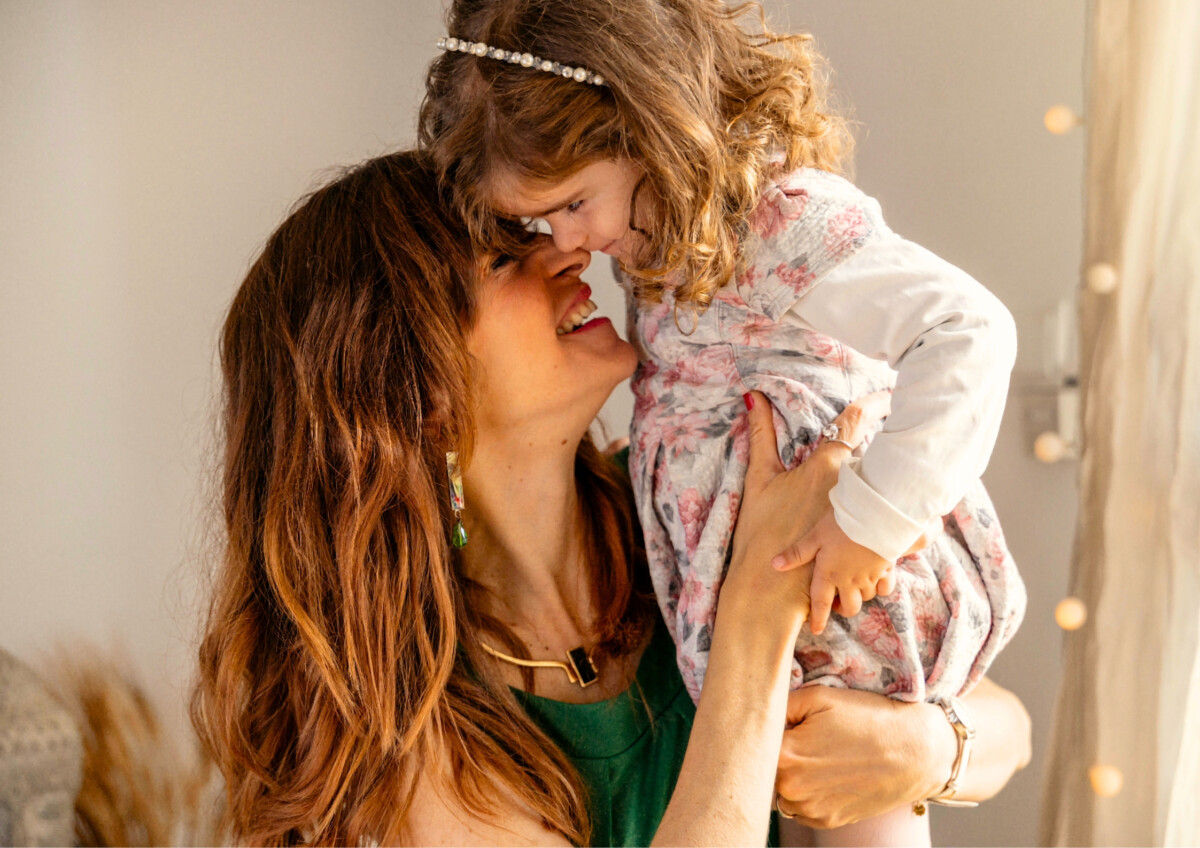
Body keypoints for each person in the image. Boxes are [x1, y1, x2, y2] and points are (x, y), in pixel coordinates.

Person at [190, 150, 1030, 847]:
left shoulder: (678, 507)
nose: (571, 253)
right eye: (503, 261)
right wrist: (757, 610)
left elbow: (1007, 723)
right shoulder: (406, 726)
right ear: (418, 393)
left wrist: (926, 751)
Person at [420, 3, 1027, 843]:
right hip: (785, 599)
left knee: (862, 785)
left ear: (649, 132)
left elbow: (969, 330)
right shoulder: (658, 247)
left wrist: (870, 524)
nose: (569, 244)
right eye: (525, 234)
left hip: (832, 566)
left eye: (573, 204)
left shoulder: (775, 224)